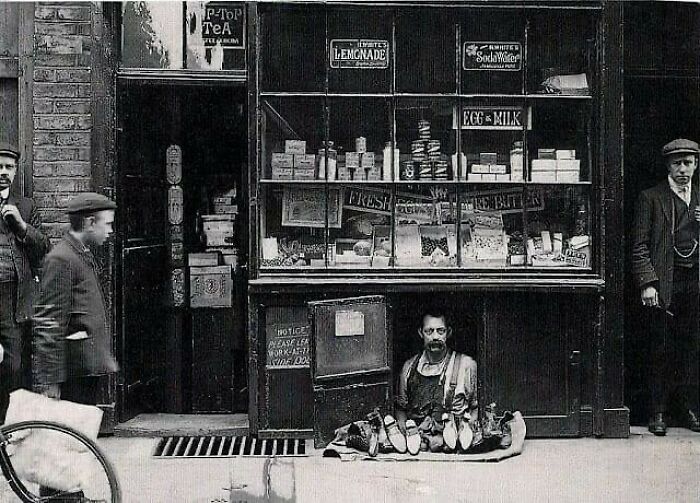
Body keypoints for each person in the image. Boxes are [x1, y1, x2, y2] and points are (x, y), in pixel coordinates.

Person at [632, 138, 700, 436]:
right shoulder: (651, 198)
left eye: (688, 163)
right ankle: (657, 411)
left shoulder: (699, 198)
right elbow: (639, 246)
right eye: (677, 164)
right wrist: (648, 283)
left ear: (696, 165)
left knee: (691, 349)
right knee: (659, 349)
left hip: (694, 282)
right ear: (667, 166)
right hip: (665, 284)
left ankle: (688, 410)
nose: (683, 169)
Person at [33, 192, 119, 404]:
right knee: (71, 434)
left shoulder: (79, 253)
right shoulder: (62, 258)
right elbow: (49, 321)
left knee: (80, 433)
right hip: (73, 372)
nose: (110, 231)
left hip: (85, 366)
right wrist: (51, 381)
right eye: (107, 224)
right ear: (90, 223)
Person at [0, 142, 50, 423]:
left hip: (12, 299)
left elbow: (43, 247)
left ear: (16, 171)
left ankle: (11, 430)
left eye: (9, 167)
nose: (3, 172)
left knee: (14, 366)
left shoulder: (26, 206)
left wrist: (22, 227)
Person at [394, 310, 478, 452]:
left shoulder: (466, 365)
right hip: (418, 444)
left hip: (453, 444)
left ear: (448, 332)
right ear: (421, 333)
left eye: (440, 331)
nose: (435, 337)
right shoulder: (408, 367)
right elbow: (400, 409)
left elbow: (474, 407)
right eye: (429, 331)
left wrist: (467, 433)